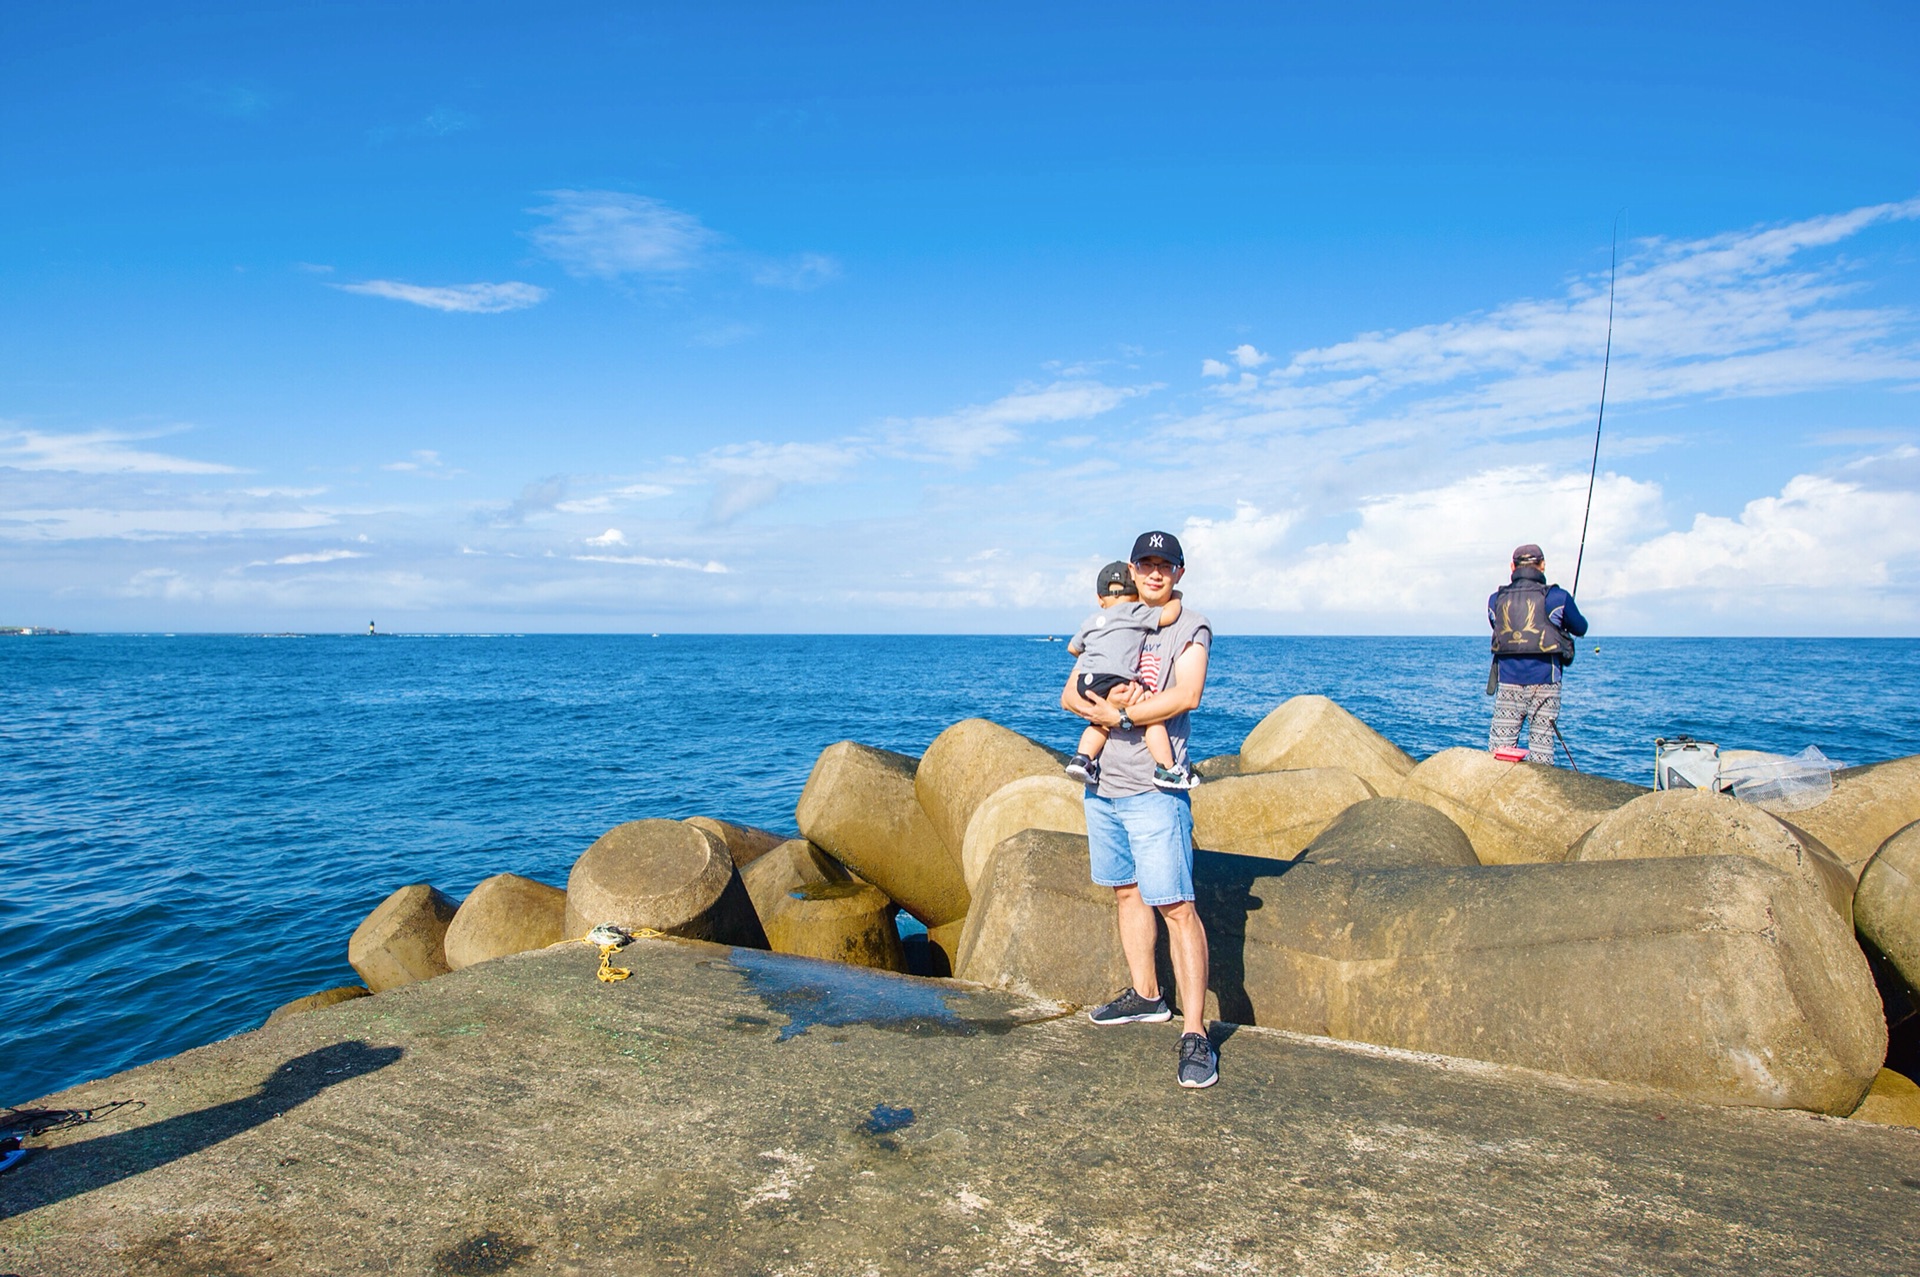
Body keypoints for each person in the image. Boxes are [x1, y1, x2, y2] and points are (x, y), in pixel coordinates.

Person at [1060, 530, 1218, 1088]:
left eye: (1165, 565)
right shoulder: (1111, 619)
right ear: (1133, 568)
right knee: (1125, 892)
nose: (1155, 573)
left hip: (1155, 789)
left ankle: (1195, 1032)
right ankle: (1147, 997)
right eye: (1146, 564)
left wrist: (1124, 717)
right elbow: (1068, 695)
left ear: (1178, 571)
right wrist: (1102, 707)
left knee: (1176, 906)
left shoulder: (1190, 626)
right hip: (1104, 787)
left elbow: (1187, 694)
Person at [1063, 561, 1196, 790]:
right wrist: (1176, 595)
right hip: (1117, 678)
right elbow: (1169, 615)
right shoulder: (1135, 611)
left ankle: (1082, 758)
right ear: (1134, 594)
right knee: (1151, 714)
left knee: (1099, 722)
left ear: (1099, 598)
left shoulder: (1091, 622)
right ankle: (1167, 768)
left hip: (1089, 680)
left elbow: (1073, 649)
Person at [1487, 543, 1589, 764]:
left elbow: (1497, 626)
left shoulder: (1495, 600)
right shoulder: (1558, 597)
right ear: (1542, 565)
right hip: (1546, 683)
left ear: (1512, 567)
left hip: (1508, 682)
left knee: (1500, 752)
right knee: (1542, 751)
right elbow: (1581, 627)